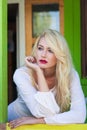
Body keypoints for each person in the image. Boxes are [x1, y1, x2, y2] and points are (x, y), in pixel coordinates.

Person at [8, 29, 86, 128]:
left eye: (50, 50)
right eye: (40, 48)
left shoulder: (70, 75)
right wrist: (39, 71)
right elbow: (43, 113)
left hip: (42, 126)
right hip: (13, 122)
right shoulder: (22, 74)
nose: (43, 54)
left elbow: (80, 115)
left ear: (59, 54)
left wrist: (41, 121)